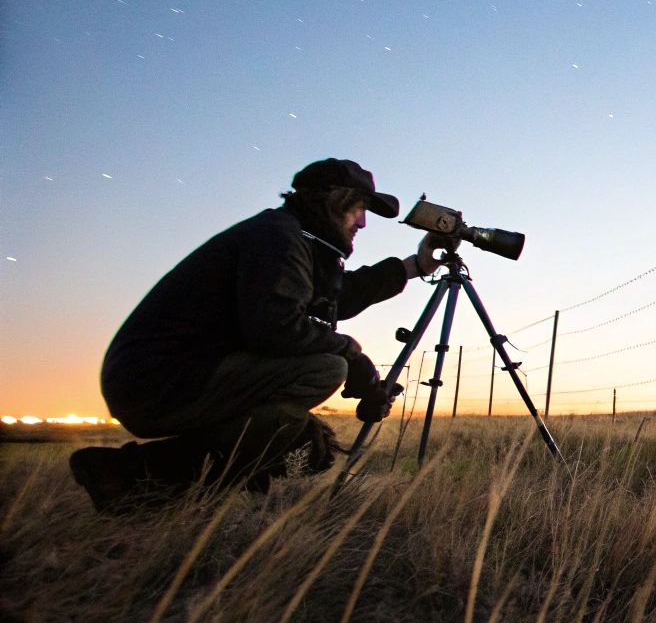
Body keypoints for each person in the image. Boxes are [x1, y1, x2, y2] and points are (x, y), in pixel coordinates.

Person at [69, 159, 449, 511]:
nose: (363, 223)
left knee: (302, 434)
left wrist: (415, 266)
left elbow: (337, 297)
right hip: (159, 380)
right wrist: (351, 354)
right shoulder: (278, 240)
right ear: (333, 201)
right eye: (358, 208)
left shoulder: (293, 239)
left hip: (169, 376)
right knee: (324, 369)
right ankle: (131, 473)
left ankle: (161, 484)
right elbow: (277, 329)